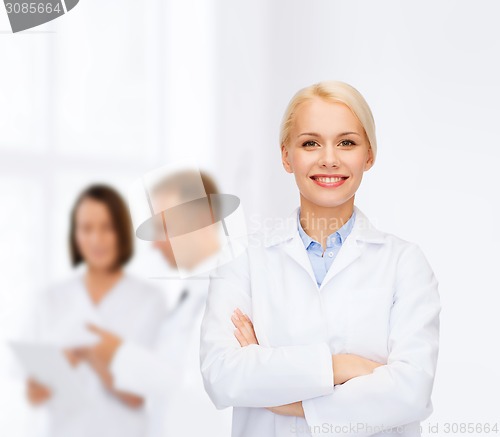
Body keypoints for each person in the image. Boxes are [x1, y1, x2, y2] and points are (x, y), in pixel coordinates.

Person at [200, 80, 441, 437]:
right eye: (310, 143)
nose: (329, 158)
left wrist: (281, 396)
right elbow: (223, 376)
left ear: (369, 155)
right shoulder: (243, 259)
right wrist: (341, 367)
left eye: (347, 142)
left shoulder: (405, 263)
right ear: (286, 156)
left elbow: (410, 392)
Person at [79, 170, 233, 437]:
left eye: (164, 227)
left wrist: (119, 354)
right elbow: (168, 379)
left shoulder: (234, 289)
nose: (155, 244)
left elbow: (200, 387)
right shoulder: (191, 293)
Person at [23, 184, 167, 437]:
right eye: (86, 228)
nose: (96, 239)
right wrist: (41, 385)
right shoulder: (50, 299)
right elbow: (35, 395)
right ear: (75, 235)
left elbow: (140, 395)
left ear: (121, 232)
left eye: (107, 228)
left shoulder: (149, 300)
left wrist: (91, 355)